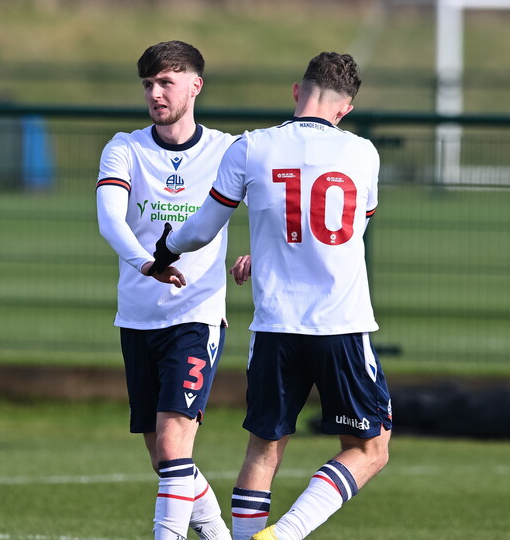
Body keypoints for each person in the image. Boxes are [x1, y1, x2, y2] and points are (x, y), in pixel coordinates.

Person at [147, 52, 392, 540]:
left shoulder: (251, 147)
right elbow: (341, 234)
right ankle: (284, 534)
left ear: (297, 92)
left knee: (262, 451)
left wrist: (164, 252)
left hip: (275, 327)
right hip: (339, 325)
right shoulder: (363, 153)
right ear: (344, 109)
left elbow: (201, 230)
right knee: (370, 449)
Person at [96, 40, 237, 540]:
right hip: (138, 317)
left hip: (195, 316)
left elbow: (273, 207)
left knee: (176, 446)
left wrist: (258, 257)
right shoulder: (125, 148)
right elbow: (110, 219)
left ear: (195, 86)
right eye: (148, 84)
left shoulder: (228, 150)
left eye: (166, 82)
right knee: (163, 458)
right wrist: (146, 264)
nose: (155, 93)